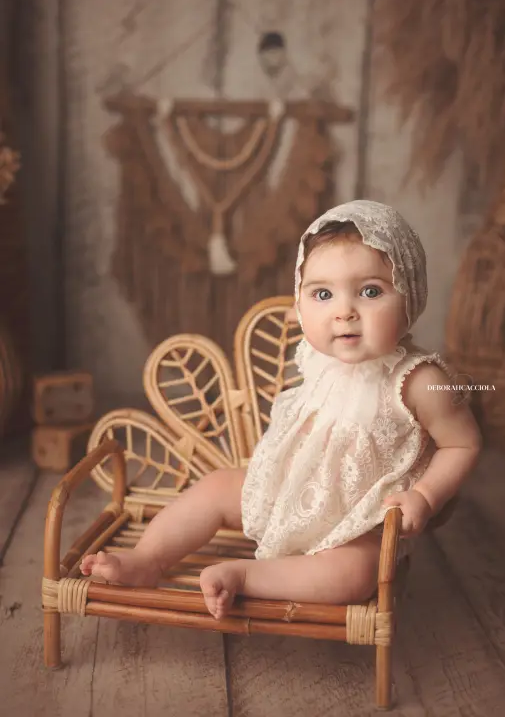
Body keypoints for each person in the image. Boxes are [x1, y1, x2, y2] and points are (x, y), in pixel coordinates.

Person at [81, 200, 481, 620]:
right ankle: (148, 559)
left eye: (370, 291)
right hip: (287, 489)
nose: (344, 312)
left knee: (355, 574)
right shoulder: (314, 354)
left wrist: (424, 496)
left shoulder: (421, 379)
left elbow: (463, 444)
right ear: (301, 300)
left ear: (411, 296)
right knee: (217, 487)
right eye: (323, 294)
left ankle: (247, 577)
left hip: (358, 520)